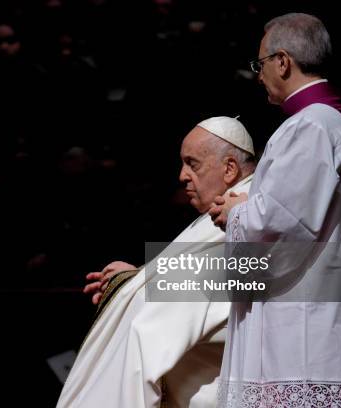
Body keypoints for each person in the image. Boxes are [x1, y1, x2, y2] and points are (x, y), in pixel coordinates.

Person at [208, 13, 341, 407]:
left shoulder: (310, 128)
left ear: (283, 61)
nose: (257, 75)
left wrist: (236, 210)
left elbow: (285, 224)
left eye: (260, 64)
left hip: (305, 328)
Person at [57, 116, 256, 408]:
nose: (182, 176)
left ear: (229, 168)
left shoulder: (246, 211)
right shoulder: (223, 209)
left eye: (193, 164)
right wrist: (140, 276)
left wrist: (138, 284)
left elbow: (231, 278)